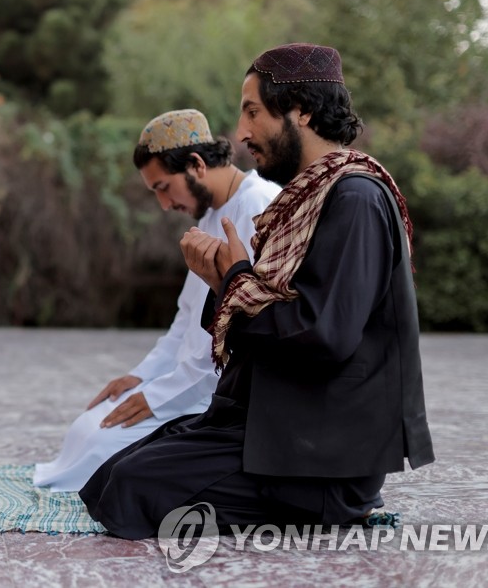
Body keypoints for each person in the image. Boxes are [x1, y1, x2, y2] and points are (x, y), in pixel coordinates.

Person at [79, 43, 435, 538]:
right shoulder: (306, 198)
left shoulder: (354, 198)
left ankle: (318, 512)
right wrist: (221, 281)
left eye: (252, 112)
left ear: (302, 111)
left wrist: (231, 279)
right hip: (272, 425)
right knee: (105, 479)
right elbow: (264, 310)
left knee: (128, 491)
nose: (242, 134)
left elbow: (323, 335)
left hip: (316, 458)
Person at [33, 109, 280, 492]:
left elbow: (236, 336)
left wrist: (156, 398)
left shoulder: (256, 206)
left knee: (102, 445)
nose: (165, 205)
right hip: (182, 384)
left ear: (196, 164)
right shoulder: (212, 216)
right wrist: (142, 377)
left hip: (219, 396)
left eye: (164, 187)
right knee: (90, 425)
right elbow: (186, 319)